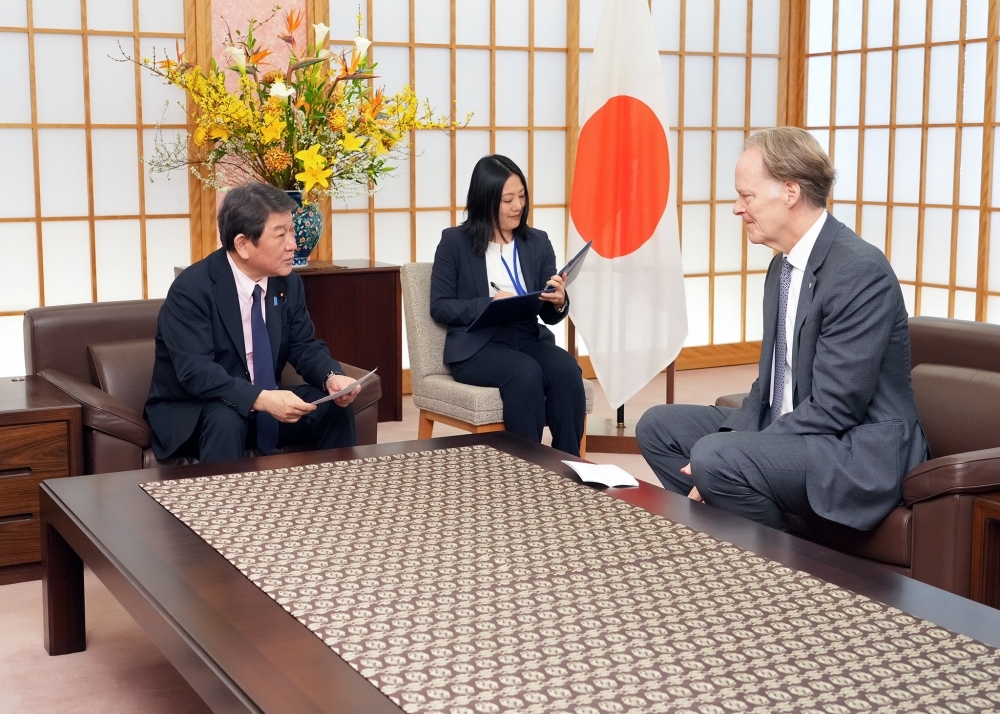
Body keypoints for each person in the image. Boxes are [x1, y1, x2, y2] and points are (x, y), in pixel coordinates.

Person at [636, 127, 929, 532]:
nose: (737, 208)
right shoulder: (783, 265)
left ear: (789, 192)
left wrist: (737, 447)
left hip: (853, 447)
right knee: (658, 427)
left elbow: (836, 408)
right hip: (798, 426)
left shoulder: (858, 272)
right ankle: (730, 537)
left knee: (715, 456)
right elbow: (771, 380)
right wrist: (740, 439)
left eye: (747, 196)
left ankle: (783, 564)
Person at [145, 182, 360, 463]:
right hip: (196, 407)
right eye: (280, 235)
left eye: (292, 232)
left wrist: (332, 377)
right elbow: (196, 372)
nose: (293, 245)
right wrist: (262, 398)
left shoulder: (287, 283)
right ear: (243, 244)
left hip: (261, 403)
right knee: (227, 417)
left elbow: (304, 345)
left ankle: (336, 496)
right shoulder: (193, 289)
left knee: (333, 409)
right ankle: (224, 506)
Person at [430, 154, 586, 456]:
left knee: (567, 369)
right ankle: (528, 466)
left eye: (522, 196)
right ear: (485, 200)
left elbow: (548, 313)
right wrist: (487, 303)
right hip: (477, 347)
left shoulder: (537, 241)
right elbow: (440, 305)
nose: (518, 206)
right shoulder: (454, 242)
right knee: (525, 373)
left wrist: (558, 300)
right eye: (508, 200)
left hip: (526, 338)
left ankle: (569, 464)